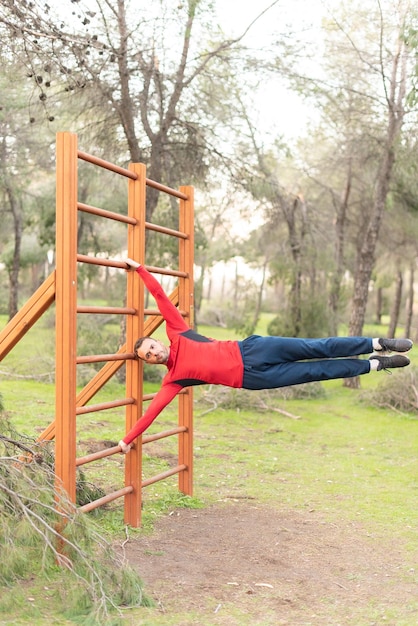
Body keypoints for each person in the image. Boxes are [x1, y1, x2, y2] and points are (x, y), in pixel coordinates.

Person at [118, 259, 413, 453]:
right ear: (150, 363)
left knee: (316, 347)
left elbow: (159, 296)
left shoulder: (178, 331)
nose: (154, 353)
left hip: (254, 348)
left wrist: (140, 268)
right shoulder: (173, 380)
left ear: (157, 340)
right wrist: (126, 440)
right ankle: (376, 364)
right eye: (149, 357)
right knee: (314, 372)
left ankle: (376, 342)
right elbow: (151, 413)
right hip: (253, 377)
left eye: (152, 348)